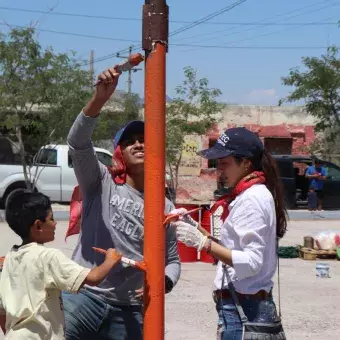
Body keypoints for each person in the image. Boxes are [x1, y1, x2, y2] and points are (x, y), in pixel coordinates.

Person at [62, 67, 180, 339]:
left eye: (144, 141)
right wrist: (99, 99)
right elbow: (77, 143)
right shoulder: (100, 183)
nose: (139, 145)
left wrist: (166, 280)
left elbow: (171, 259)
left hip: (128, 312)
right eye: (130, 142)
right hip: (83, 298)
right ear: (120, 153)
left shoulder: (165, 208)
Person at [170, 127, 287, 339]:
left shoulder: (252, 198)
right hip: (242, 306)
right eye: (217, 165)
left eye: (225, 163)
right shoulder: (247, 195)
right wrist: (195, 228)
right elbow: (232, 248)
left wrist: (203, 243)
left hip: (246, 310)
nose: (219, 171)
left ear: (245, 163)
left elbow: (251, 262)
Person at [0, 191, 121, 339]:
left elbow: (2, 311)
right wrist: (111, 260)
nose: (56, 223)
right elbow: (93, 277)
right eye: (52, 218)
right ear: (38, 226)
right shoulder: (48, 257)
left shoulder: (9, 259)